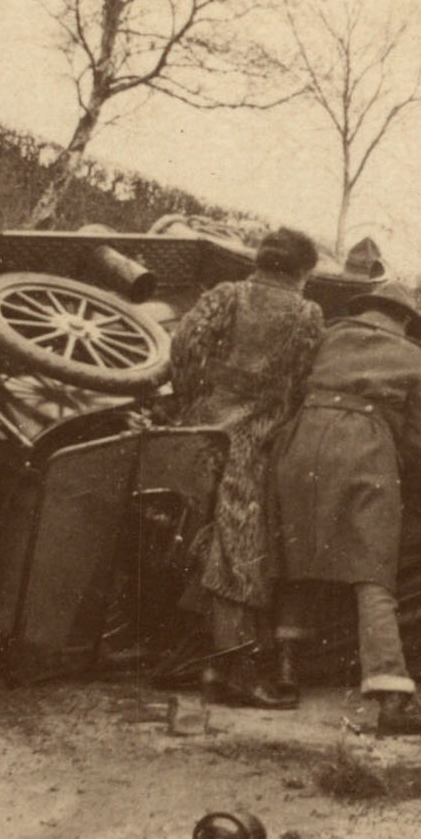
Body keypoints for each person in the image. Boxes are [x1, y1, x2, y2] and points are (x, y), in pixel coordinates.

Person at [271, 282, 421, 736]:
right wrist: (390, 455)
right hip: (365, 447)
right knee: (372, 572)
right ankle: (393, 698)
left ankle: (286, 671)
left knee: (298, 557)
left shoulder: (325, 338)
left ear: (364, 310)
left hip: (301, 441)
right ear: (407, 321)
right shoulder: (414, 356)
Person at [167, 226, 324, 708]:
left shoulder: (226, 295)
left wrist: (195, 401)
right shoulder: (307, 313)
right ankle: (236, 672)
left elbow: (183, 349)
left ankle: (208, 665)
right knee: (240, 554)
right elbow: (302, 383)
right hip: (257, 443)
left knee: (203, 540)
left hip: (201, 433)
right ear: (303, 271)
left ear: (259, 260)